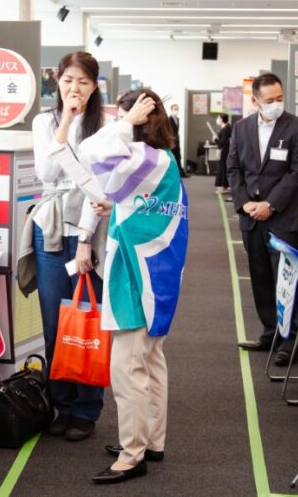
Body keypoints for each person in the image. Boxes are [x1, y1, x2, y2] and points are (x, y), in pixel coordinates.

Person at [77, 90, 188, 485]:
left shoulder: (146, 157)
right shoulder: (165, 161)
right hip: (155, 275)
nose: (116, 125)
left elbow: (90, 151)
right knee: (151, 362)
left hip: (137, 276)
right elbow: (138, 200)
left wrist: (126, 122)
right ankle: (151, 440)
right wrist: (119, 207)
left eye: (122, 119)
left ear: (140, 120)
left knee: (127, 368)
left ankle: (132, 453)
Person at [22, 51, 110, 442]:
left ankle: (87, 409)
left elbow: (99, 188)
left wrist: (87, 240)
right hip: (51, 225)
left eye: (84, 82)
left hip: (88, 227)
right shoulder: (45, 121)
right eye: (68, 80)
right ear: (57, 81)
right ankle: (61, 404)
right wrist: (68, 121)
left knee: (88, 319)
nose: (75, 88)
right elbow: (46, 172)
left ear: (95, 87)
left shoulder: (107, 126)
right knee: (55, 322)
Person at [227, 73, 298, 365]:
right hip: (251, 216)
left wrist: (270, 204)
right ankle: (269, 333)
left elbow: (296, 173)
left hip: (280, 217)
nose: (276, 104)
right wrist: (246, 203)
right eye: (269, 100)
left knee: (285, 279)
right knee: (260, 276)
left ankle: (290, 339)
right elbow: (234, 169)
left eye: (280, 98)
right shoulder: (241, 128)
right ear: (255, 101)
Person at [168, 103, 188, 178]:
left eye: (177, 109)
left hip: (177, 140)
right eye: (175, 109)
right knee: (173, 156)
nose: (176, 111)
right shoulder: (169, 119)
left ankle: (180, 172)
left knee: (178, 156)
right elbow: (170, 131)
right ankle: (173, 173)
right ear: (171, 110)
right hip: (172, 140)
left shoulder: (177, 119)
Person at [213, 113, 232, 193]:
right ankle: (226, 186)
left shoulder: (225, 129)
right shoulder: (226, 127)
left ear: (221, 119)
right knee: (224, 168)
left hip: (224, 151)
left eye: (218, 118)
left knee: (222, 168)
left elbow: (222, 142)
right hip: (225, 151)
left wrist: (215, 139)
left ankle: (223, 187)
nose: (217, 120)